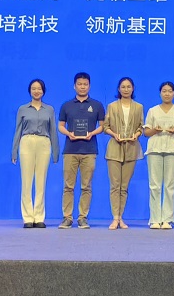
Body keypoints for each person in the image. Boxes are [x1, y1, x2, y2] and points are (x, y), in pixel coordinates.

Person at [58, 72, 105, 229]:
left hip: (89, 150)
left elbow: (103, 126)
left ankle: (83, 217)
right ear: (74, 86)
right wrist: (68, 134)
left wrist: (92, 133)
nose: (82, 87)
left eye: (85, 84)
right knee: (68, 186)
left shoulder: (97, 105)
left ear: (89, 86)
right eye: (79, 84)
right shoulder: (66, 105)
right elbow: (60, 126)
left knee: (86, 186)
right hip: (70, 150)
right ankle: (67, 218)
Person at [11, 79, 60, 228]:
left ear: (43, 91)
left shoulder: (49, 109)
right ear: (29, 91)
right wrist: (14, 151)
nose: (36, 91)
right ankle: (27, 217)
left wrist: (55, 151)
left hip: (44, 142)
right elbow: (18, 130)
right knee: (26, 181)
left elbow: (53, 131)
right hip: (27, 141)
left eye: (39, 88)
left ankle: (39, 217)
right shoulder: (23, 109)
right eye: (33, 88)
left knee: (41, 181)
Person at [143, 81, 174, 229]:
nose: (167, 93)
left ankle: (167, 219)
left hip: (173, 148)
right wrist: (155, 130)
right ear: (160, 93)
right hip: (155, 148)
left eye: (170, 91)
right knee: (154, 185)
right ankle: (155, 219)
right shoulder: (153, 111)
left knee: (170, 185)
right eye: (164, 91)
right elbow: (146, 132)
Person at [102, 77, 145, 230]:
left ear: (133, 89)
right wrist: (114, 134)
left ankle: (121, 217)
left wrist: (136, 135)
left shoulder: (138, 107)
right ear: (118, 89)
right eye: (123, 87)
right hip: (114, 148)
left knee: (124, 186)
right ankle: (115, 217)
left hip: (131, 148)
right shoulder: (112, 106)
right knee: (115, 185)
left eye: (128, 87)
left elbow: (141, 127)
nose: (126, 89)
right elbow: (105, 126)